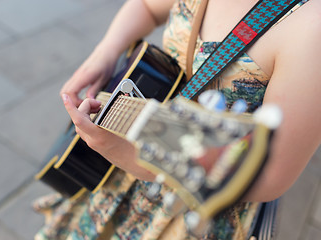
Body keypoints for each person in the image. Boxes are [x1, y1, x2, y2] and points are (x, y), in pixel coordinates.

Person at [33, 0, 321, 239]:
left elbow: (270, 176)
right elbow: (146, 6)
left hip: (189, 212)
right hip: (114, 183)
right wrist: (106, 53)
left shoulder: (311, 29)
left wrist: (129, 156)